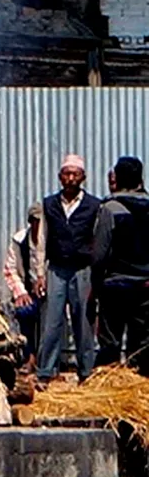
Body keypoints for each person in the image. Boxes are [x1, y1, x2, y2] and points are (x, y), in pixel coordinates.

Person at [38, 153, 102, 384]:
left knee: (83, 321)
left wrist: (96, 274)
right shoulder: (49, 204)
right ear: (60, 177)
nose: (71, 178)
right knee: (52, 322)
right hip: (56, 268)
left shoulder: (94, 206)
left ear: (83, 177)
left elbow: (98, 240)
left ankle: (86, 372)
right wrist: (39, 273)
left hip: (82, 270)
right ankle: (46, 372)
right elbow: (42, 240)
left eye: (75, 174)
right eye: (67, 174)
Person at [93, 156, 149, 371]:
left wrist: (95, 284)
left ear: (118, 177)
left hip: (115, 285)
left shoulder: (111, 208)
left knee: (110, 342)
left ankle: (111, 384)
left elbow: (99, 255)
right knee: (142, 342)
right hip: (145, 286)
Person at [3, 202, 45, 369]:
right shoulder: (20, 241)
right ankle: (29, 356)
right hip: (28, 291)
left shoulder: (53, 241)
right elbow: (10, 269)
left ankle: (49, 363)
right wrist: (20, 292)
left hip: (51, 291)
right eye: (36, 221)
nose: (39, 225)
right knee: (23, 312)